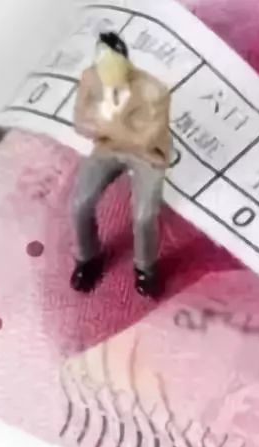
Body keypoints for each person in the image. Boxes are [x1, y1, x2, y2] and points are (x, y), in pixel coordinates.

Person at [69, 31, 172, 298]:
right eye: (101, 64)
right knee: (80, 203)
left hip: (148, 155)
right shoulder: (90, 78)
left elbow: (148, 138)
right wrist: (116, 130)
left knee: (144, 215)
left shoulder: (154, 90)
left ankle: (145, 268)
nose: (106, 72)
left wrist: (106, 126)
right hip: (107, 148)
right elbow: (80, 122)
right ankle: (88, 257)